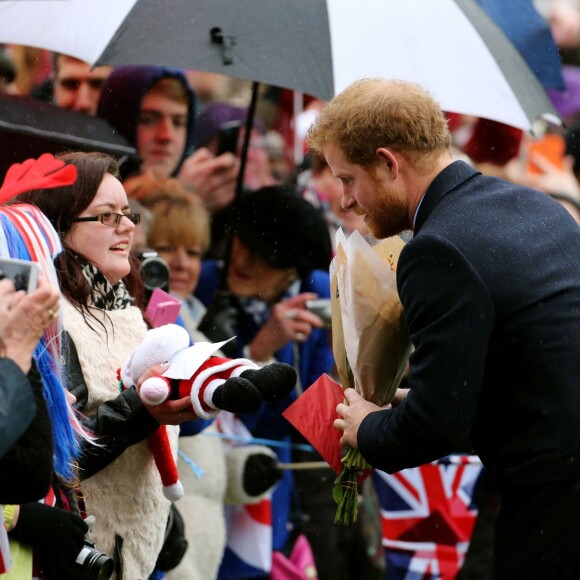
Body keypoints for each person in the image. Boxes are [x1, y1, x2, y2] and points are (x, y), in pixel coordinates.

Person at [307, 78, 580, 578]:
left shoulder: (438, 248)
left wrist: (364, 426)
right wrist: (413, 397)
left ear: (389, 164)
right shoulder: (537, 206)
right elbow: (535, 361)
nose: (346, 200)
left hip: (555, 514)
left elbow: (435, 427)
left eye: (348, 179)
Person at [15, 151, 198, 579]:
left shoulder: (129, 306)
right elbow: (63, 461)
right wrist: (142, 408)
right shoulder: (48, 316)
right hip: (72, 558)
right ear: (58, 227)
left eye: (127, 213)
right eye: (106, 217)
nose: (129, 227)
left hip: (133, 556)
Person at [195, 187, 337, 575]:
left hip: (269, 481)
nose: (240, 261)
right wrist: (256, 355)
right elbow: (211, 417)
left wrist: (283, 358)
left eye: (261, 258)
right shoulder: (206, 281)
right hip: (203, 471)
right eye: (239, 244)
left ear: (293, 270)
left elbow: (310, 426)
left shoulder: (319, 294)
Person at [97, 65, 240, 213]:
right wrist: (183, 203)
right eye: (148, 120)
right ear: (118, 121)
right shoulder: (88, 196)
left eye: (178, 122)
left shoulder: (214, 197)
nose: (166, 136)